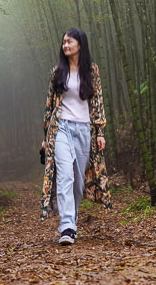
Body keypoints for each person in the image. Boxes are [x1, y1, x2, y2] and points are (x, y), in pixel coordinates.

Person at [40, 28, 111, 244]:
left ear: (80, 44)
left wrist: (100, 132)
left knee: (79, 182)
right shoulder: (57, 72)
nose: (65, 46)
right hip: (60, 128)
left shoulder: (92, 70)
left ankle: (72, 217)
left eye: (69, 42)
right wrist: (45, 136)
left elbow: (97, 101)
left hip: (84, 130)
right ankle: (67, 227)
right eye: (63, 42)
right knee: (65, 177)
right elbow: (49, 105)